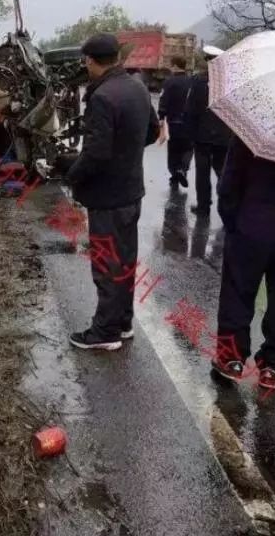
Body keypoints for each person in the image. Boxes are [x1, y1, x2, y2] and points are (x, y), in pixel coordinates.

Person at [66, 34, 160, 351]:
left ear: (91, 61)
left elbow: (96, 153)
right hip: (131, 191)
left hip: (107, 197)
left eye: (85, 61)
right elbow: (152, 132)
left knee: (107, 263)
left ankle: (105, 331)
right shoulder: (137, 86)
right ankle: (122, 322)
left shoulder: (102, 96)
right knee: (125, 260)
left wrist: (71, 174)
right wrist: (127, 152)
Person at [214, 135, 275, 390]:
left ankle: (231, 358)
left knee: (237, 294)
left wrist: (231, 218)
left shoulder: (256, 128)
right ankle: (273, 366)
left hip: (251, 225)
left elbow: (231, 178)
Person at [185, 46, 232, 216]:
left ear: (207, 61)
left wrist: (190, 135)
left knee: (202, 173)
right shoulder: (229, 82)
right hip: (224, 137)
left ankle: (204, 206)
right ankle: (226, 206)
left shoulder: (198, 82)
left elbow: (191, 111)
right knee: (223, 173)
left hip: (202, 137)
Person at [157, 54, 192, 189]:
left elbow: (163, 101)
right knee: (188, 148)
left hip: (174, 121)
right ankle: (182, 169)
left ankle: (174, 175)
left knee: (174, 149)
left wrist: (161, 117)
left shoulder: (169, 82)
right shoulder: (191, 81)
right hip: (189, 121)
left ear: (175, 66)